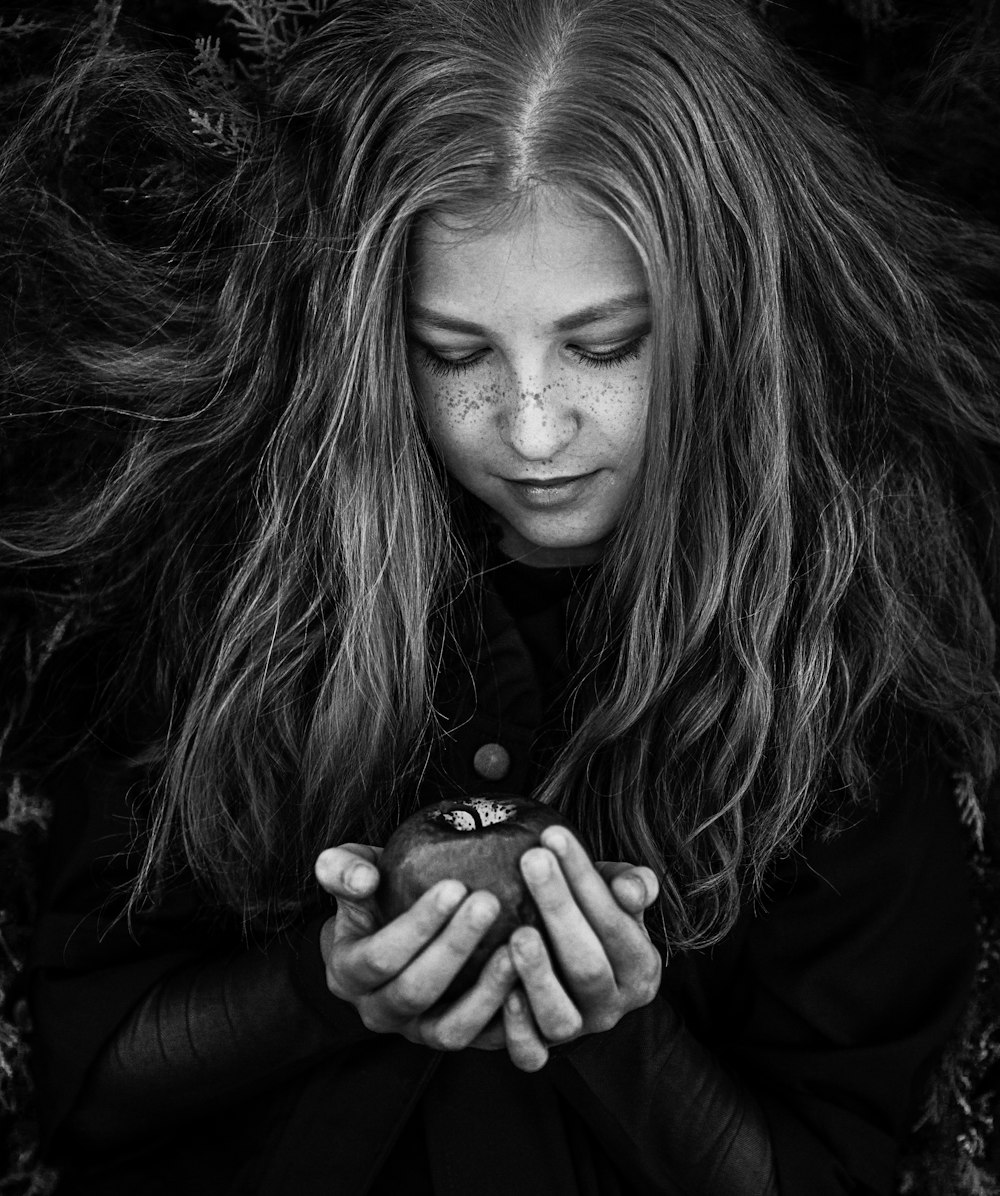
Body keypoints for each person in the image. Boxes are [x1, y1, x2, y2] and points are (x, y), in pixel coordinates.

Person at [3, 0, 1000, 1192]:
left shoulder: (844, 677)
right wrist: (324, 984)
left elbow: (821, 1168)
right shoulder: (237, 601)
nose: (531, 427)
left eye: (605, 343)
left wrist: (611, 1026)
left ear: (731, 324)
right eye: (455, 353)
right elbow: (87, 1081)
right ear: (374, 343)